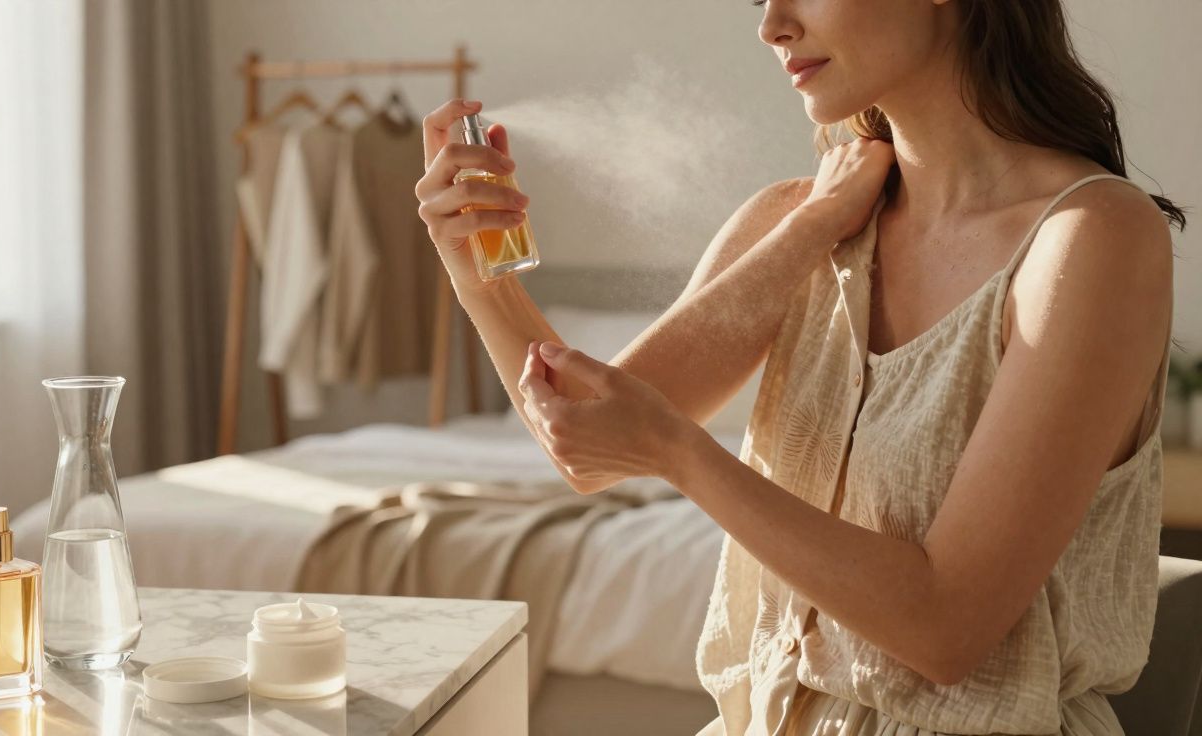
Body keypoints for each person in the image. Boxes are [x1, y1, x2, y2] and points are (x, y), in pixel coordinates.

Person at [413, 1, 1186, 732]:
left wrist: (681, 453)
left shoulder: (1091, 237)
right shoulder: (798, 221)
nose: (773, 26)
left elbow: (947, 630)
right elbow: (584, 439)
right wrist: (477, 270)